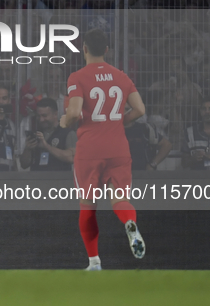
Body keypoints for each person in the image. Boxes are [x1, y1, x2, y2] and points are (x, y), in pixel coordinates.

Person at [60, 28, 147, 271]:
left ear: (84, 48)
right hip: (118, 147)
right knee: (120, 199)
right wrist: (119, 120)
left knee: (87, 204)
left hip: (90, 149)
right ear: (107, 50)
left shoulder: (77, 77)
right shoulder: (121, 76)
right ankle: (130, 223)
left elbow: (75, 113)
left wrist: (63, 121)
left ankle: (94, 262)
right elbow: (140, 110)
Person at [20, 98, 77, 171]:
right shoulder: (36, 134)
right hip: (36, 180)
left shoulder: (67, 133)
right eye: (38, 116)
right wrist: (27, 149)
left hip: (59, 180)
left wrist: (46, 146)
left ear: (55, 114)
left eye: (44, 116)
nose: (41, 119)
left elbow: (72, 157)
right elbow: (24, 165)